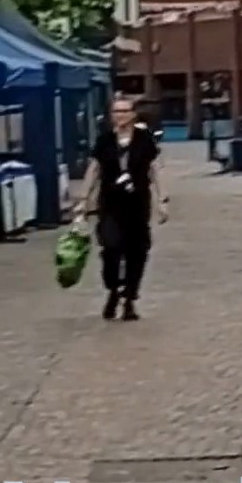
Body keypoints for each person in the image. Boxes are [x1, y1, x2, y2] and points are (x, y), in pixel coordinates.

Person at [80, 94, 167, 321]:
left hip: (137, 204)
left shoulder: (144, 139)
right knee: (110, 247)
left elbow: (154, 169)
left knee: (136, 252)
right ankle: (113, 289)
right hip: (110, 204)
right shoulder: (105, 140)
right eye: (116, 112)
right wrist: (83, 199)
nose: (120, 116)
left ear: (133, 114)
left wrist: (161, 200)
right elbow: (95, 169)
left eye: (125, 111)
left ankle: (129, 298)